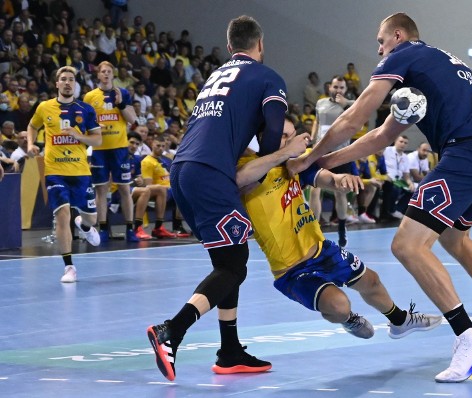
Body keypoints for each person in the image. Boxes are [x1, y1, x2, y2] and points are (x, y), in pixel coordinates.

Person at [288, 13, 472, 383]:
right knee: (456, 240)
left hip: (464, 154)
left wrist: (309, 158)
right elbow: (379, 137)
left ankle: (468, 337)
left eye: (381, 40)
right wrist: (326, 162)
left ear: (398, 35)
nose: (378, 49)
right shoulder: (434, 66)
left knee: (407, 245)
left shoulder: (402, 56)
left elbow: (356, 117)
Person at [147, 15, 292, 381]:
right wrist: (273, 159)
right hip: (211, 173)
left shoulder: (215, 77)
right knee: (234, 264)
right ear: (260, 45)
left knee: (227, 262)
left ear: (230, 48)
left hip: (182, 171)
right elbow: (274, 128)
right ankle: (172, 330)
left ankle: (229, 351)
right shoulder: (267, 76)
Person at [238, 115, 441, 339]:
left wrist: (339, 180)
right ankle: (348, 319)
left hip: (321, 249)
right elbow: (241, 179)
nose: (290, 141)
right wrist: (286, 151)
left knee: (371, 280)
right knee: (338, 305)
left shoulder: (293, 165)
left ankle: (400, 320)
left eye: (292, 136)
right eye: (283, 136)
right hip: (291, 270)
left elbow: (322, 177)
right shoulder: (248, 169)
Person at [26, 66, 102, 282]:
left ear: (75, 84)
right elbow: (32, 126)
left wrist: (80, 136)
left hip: (80, 171)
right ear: (57, 84)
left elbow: (97, 140)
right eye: (63, 79)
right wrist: (32, 144)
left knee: (90, 217)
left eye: (71, 79)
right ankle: (69, 267)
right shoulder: (45, 107)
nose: (67, 83)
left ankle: (85, 225)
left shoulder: (85, 110)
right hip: (54, 171)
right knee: (62, 214)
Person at [84, 61, 139, 242]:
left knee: (124, 188)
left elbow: (133, 120)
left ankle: (130, 229)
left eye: (109, 71)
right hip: (99, 149)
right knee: (101, 189)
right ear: (98, 75)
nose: (106, 74)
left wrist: (121, 104)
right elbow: (86, 123)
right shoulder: (90, 97)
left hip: (119, 148)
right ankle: (103, 229)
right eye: (103, 72)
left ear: (112, 75)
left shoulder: (122, 93)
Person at [309, 75, 356, 247]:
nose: (338, 90)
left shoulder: (351, 105)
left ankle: (342, 228)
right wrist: (313, 137)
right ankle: (315, 230)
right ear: (330, 87)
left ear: (346, 90)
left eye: (342, 88)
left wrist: (346, 104)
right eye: (336, 87)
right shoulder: (320, 103)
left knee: (340, 192)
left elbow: (361, 115)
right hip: (319, 152)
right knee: (314, 191)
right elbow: (317, 120)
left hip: (340, 154)